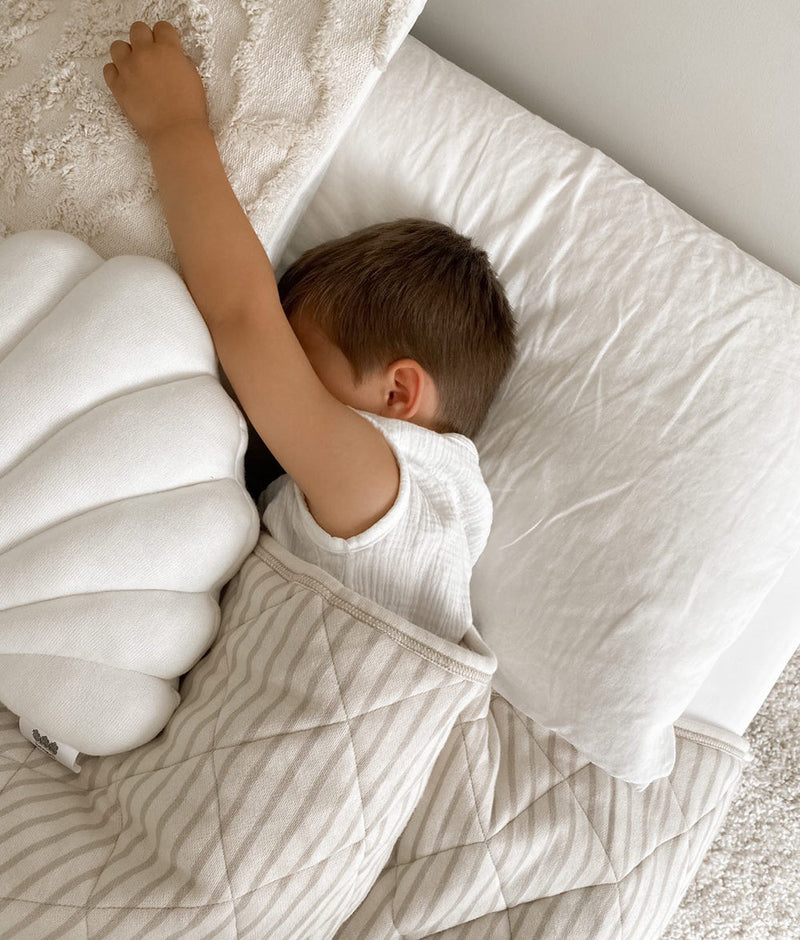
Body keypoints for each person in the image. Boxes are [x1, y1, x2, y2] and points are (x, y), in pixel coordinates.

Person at [103, 20, 517, 643]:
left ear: (399, 393)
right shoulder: (389, 517)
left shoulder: (382, 489)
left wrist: (175, 129)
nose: (271, 375)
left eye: (298, 355)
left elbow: (243, 315)